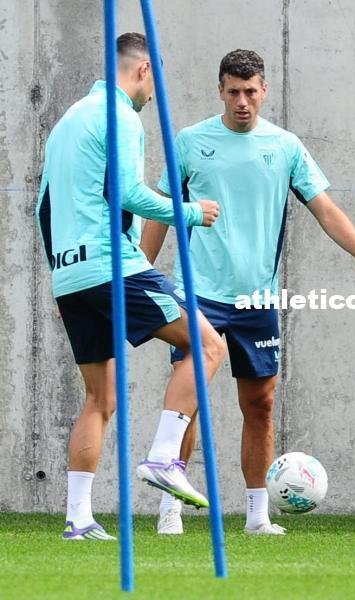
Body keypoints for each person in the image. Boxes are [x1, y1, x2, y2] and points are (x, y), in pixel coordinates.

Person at [140, 49, 355, 536]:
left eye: (250, 91)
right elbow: (159, 212)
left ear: (264, 91)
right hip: (200, 295)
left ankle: (257, 515)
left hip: (258, 301)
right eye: (233, 92)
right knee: (189, 400)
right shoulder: (190, 142)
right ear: (220, 91)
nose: (242, 101)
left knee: (260, 405)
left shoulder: (286, 146)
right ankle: (171, 507)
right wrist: (140, 274)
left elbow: (324, 207)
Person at [36, 32, 225, 540]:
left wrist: (64, 274)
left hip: (71, 273)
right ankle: (165, 457)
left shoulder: (67, 122)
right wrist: (191, 212)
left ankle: (77, 518)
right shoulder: (120, 116)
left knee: (100, 397)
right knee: (207, 345)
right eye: (155, 83)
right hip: (111, 263)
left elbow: (43, 206)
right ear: (143, 71)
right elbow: (129, 193)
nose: (153, 95)